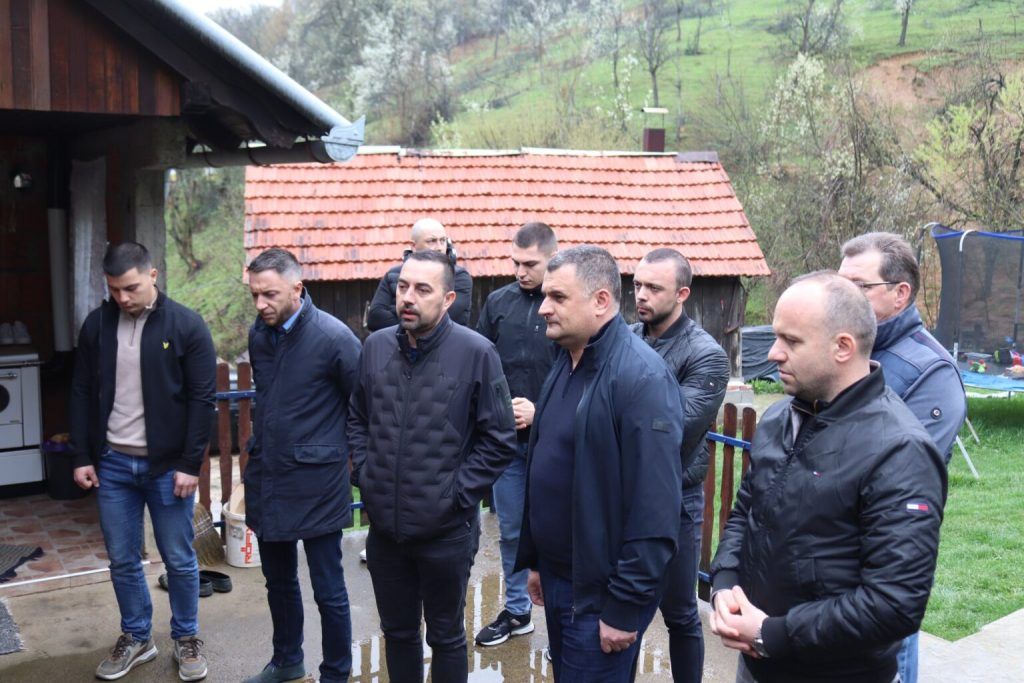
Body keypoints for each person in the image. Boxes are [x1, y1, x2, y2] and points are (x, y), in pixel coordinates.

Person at [709, 272, 947, 683]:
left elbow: (894, 603)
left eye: (791, 341)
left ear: (843, 347)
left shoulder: (899, 450)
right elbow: (747, 509)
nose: (774, 353)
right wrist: (725, 582)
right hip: (757, 666)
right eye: (776, 336)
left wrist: (772, 633)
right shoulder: (779, 417)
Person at [515, 245, 684, 682]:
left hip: (600, 594)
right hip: (559, 578)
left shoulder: (641, 378)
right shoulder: (566, 360)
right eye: (545, 296)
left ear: (601, 301)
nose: (543, 309)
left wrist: (624, 607)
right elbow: (548, 462)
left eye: (558, 297)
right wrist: (537, 561)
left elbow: (655, 508)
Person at [347, 249, 517, 682]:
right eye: (402, 286)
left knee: (445, 636)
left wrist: (456, 495)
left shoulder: (477, 353)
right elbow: (357, 418)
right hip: (386, 531)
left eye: (423, 289)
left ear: (447, 299)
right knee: (398, 633)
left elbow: (499, 439)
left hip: (446, 533)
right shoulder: (375, 347)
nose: (408, 297)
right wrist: (364, 474)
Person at [70, 242, 215, 681]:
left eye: (130, 288)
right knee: (122, 559)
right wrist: (81, 454)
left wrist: (190, 464)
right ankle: (137, 637)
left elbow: (202, 399)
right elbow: (81, 391)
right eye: (114, 290)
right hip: (113, 464)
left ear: (152, 275)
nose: (122, 298)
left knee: (179, 558)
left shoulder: (186, 325)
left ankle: (186, 638)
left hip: (168, 467)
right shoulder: (97, 325)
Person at [838, 232, 966, 683]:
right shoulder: (843, 350)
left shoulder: (931, 372)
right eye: (840, 283)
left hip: (879, 565)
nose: (843, 296)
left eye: (858, 286)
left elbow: (903, 481)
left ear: (900, 293)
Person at [242, 248, 362, 683]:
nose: (260, 304)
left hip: (318, 482)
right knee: (278, 582)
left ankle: (336, 673)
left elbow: (362, 405)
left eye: (269, 294)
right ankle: (287, 660)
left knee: (328, 588)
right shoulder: (260, 335)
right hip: (270, 478)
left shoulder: (334, 338)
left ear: (297, 288)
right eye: (254, 295)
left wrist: (354, 461)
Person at [631, 248, 729, 683]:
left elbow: (674, 429)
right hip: (624, 492)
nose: (641, 295)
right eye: (637, 285)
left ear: (682, 294)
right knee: (623, 610)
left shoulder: (706, 354)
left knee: (681, 612)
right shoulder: (626, 337)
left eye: (654, 288)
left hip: (676, 496)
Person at [474, 222, 560, 647]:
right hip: (508, 445)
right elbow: (479, 363)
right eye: (516, 263)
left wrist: (541, 412)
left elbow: (587, 377)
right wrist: (497, 411)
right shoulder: (498, 302)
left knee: (561, 535)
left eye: (531, 264)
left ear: (552, 259)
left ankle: (564, 624)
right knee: (511, 531)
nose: (521, 272)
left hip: (558, 446)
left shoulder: (565, 304)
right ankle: (517, 611)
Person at [365, 217, 473, 331]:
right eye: (431, 241)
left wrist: (397, 310)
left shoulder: (459, 277)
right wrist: (419, 314)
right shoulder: (393, 274)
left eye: (443, 240)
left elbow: (445, 319)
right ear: (413, 246)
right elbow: (374, 318)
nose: (439, 247)